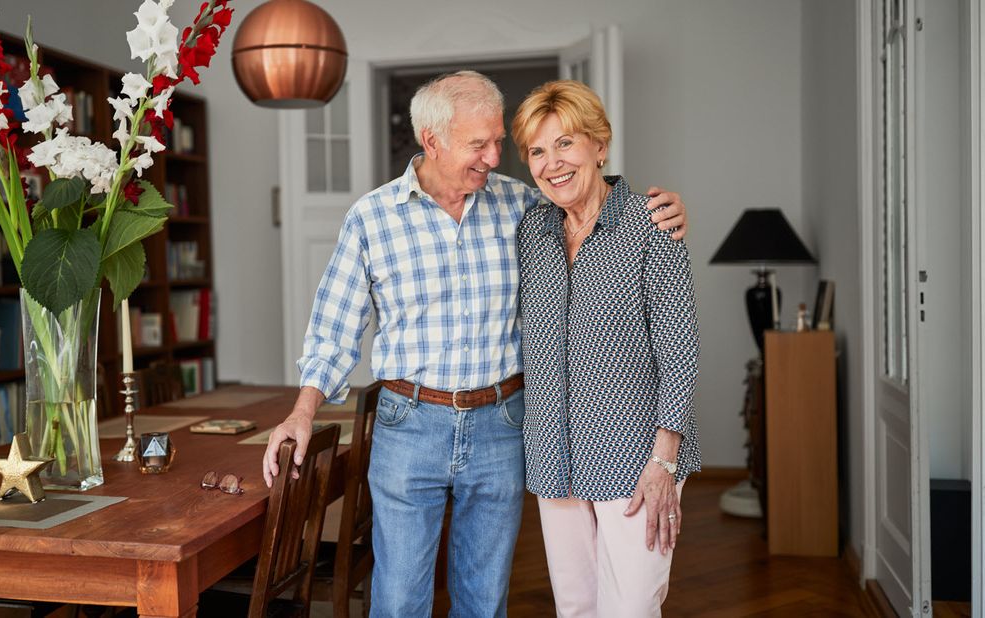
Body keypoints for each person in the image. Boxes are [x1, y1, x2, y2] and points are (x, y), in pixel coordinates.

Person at [261, 71, 689, 617]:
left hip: (500, 425)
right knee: (398, 599)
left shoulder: (525, 209)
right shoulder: (373, 217)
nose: (494, 157)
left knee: (485, 599)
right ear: (432, 141)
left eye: (498, 143)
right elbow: (334, 326)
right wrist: (303, 411)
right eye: (478, 144)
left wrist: (665, 213)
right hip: (408, 423)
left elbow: (596, 205)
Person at [511, 79, 700, 617]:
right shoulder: (532, 231)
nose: (553, 163)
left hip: (636, 457)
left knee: (632, 607)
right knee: (575, 606)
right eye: (537, 151)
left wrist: (664, 460)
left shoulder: (651, 223)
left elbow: (679, 350)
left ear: (600, 144)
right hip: (555, 454)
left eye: (566, 143)